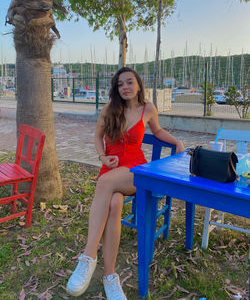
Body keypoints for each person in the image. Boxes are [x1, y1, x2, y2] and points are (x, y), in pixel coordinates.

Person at [66, 67, 185, 300]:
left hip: (134, 171)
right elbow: (97, 136)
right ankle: (110, 276)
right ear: (116, 89)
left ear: (139, 85)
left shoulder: (148, 109)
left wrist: (177, 141)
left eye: (130, 82)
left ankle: (88, 256)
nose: (125, 87)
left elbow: (158, 130)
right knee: (114, 203)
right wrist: (102, 156)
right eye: (120, 84)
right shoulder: (110, 109)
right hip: (110, 170)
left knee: (104, 183)